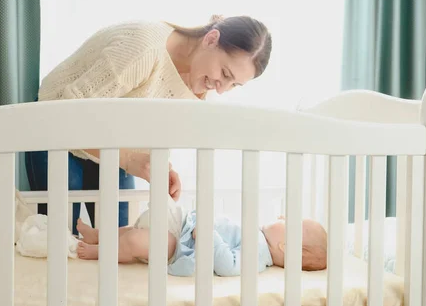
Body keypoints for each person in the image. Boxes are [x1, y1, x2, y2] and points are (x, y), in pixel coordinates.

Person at [25, 14, 273, 235]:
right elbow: (64, 117)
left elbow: (143, 127)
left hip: (110, 149)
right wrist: (129, 160)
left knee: (119, 241)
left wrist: (156, 165)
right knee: (60, 239)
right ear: (211, 39)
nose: (221, 89)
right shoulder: (143, 49)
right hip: (56, 133)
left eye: (234, 85)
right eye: (226, 74)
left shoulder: (200, 86)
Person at [75, 204, 328, 277]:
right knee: (134, 229)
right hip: (185, 223)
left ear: (285, 247)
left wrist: (209, 235)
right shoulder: (258, 236)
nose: (281, 216)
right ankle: (98, 235)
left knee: (137, 240)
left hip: (182, 247)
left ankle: (99, 251)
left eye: (288, 222)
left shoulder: (258, 254)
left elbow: (227, 265)